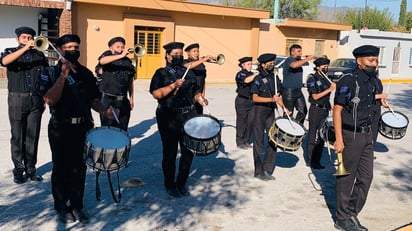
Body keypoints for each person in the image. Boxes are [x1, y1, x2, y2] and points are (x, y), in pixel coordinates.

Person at [38, 34, 116, 224]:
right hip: (60, 127)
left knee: (79, 168)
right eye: (70, 47)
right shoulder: (49, 72)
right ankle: (61, 207)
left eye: (77, 46)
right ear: (60, 50)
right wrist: (63, 76)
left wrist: (104, 111)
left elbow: (93, 100)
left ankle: (77, 205)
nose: (74, 50)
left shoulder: (86, 73)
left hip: (83, 127)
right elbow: (49, 100)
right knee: (61, 168)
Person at [333, 45, 387, 231]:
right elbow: (337, 109)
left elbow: (370, 104)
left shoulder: (372, 81)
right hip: (351, 135)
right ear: (359, 61)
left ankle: (351, 211)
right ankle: (341, 218)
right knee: (346, 177)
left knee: (366, 177)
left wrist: (379, 100)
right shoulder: (348, 80)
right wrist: (339, 139)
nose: (374, 64)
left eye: (376, 60)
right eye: (371, 60)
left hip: (367, 136)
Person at [149, 41, 205, 197]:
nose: (178, 56)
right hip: (168, 116)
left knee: (188, 151)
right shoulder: (160, 73)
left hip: (188, 115)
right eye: (175, 54)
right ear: (167, 55)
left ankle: (181, 182)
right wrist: (173, 86)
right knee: (170, 152)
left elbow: (194, 91)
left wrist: (199, 98)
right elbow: (156, 94)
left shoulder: (188, 71)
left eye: (180, 54)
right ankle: (170, 184)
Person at [0, 26, 48, 184]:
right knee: (18, 136)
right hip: (17, 99)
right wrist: (25, 48)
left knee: (32, 136)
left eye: (30, 38)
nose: (28, 40)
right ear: (18, 39)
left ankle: (31, 169)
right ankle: (18, 170)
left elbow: (45, 76)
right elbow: (4, 61)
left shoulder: (40, 55)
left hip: (35, 100)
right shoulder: (10, 51)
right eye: (24, 38)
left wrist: (44, 96)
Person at [250, 53, 287, 181]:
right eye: (270, 63)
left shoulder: (275, 77)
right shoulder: (258, 78)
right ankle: (258, 171)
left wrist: (284, 108)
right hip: (259, 111)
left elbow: (278, 97)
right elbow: (255, 98)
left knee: (273, 139)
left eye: (273, 62)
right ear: (263, 65)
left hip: (270, 111)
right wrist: (271, 99)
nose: (272, 64)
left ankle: (267, 168)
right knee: (259, 141)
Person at [97, 36, 135, 131]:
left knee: (123, 128)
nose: (121, 49)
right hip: (108, 99)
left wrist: (131, 98)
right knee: (108, 128)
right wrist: (121, 55)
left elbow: (130, 81)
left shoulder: (128, 62)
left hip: (123, 100)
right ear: (111, 48)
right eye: (118, 47)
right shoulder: (107, 56)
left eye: (122, 47)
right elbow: (102, 61)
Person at [305, 57, 336, 169]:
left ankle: (317, 160)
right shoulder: (312, 79)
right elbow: (315, 96)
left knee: (322, 135)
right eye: (323, 66)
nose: (326, 68)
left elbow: (326, 97)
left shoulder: (326, 79)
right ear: (318, 67)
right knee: (313, 135)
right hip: (316, 109)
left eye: (327, 66)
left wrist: (330, 105)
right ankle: (310, 160)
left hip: (324, 109)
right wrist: (330, 89)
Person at [282, 44, 313, 125]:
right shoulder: (289, 60)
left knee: (303, 110)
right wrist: (307, 59)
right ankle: (285, 130)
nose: (300, 53)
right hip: (289, 91)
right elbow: (294, 66)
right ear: (292, 52)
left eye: (301, 51)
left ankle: (296, 127)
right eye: (298, 51)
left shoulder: (298, 61)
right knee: (288, 113)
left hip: (298, 90)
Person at [235, 56, 258, 149]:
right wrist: (256, 75)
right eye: (248, 64)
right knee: (242, 121)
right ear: (243, 65)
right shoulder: (240, 74)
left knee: (251, 121)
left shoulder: (252, 74)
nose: (250, 66)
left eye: (251, 64)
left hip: (252, 101)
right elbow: (246, 80)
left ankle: (246, 140)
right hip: (242, 100)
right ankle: (240, 141)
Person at [183, 43, 210, 114]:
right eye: (194, 51)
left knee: (198, 116)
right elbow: (189, 66)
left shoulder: (201, 65)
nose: (197, 53)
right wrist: (203, 59)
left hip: (198, 95)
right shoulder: (185, 61)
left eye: (198, 51)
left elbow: (203, 80)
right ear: (188, 53)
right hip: (188, 95)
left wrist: (203, 95)